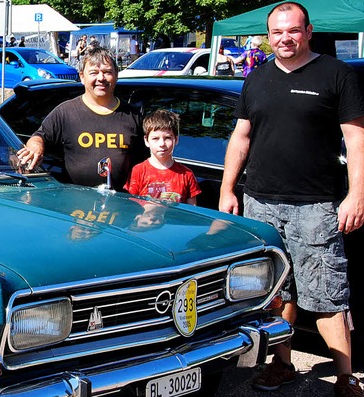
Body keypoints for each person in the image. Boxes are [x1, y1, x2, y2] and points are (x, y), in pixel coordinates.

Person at [219, 3, 364, 396]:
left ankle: (346, 376)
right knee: (274, 292)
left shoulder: (337, 74)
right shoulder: (257, 77)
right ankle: (282, 364)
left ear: (308, 30)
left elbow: (356, 138)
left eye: (293, 31)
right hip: (260, 203)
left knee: (327, 293)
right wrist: (228, 188)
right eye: (277, 32)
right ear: (268, 35)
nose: (285, 38)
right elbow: (242, 137)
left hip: (316, 205)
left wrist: (356, 195)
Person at [16, 46, 145, 191]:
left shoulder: (133, 116)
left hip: (120, 203)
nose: (101, 78)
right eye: (94, 73)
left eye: (107, 72)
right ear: (82, 77)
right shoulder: (65, 112)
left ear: (116, 75)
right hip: (75, 203)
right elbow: (39, 137)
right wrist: (35, 147)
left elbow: (147, 161)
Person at [124, 109, 201, 204]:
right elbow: (131, 207)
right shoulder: (138, 171)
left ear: (176, 140)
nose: (162, 144)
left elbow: (192, 211)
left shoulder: (187, 175)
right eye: (155, 138)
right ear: (146, 141)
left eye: (167, 138)